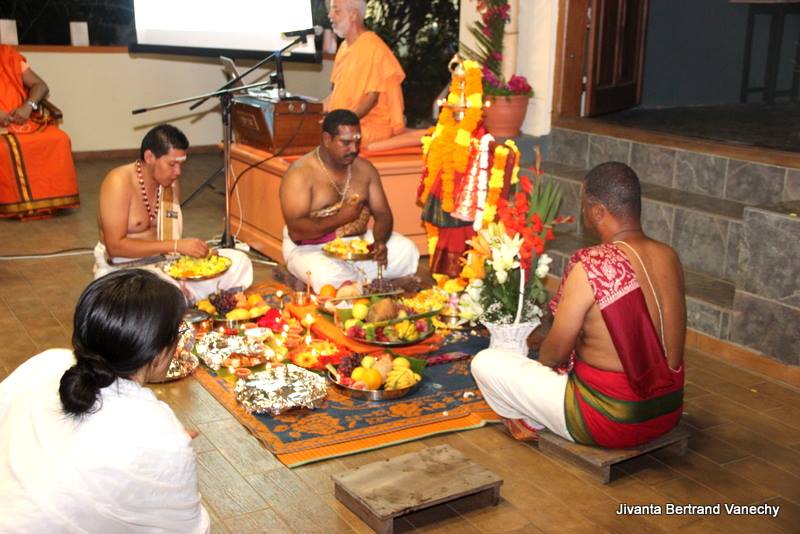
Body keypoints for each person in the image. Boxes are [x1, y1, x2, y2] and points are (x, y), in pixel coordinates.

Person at [471, 162, 686, 448]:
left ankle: (533, 418)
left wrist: (538, 365)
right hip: (667, 412)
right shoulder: (669, 256)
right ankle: (541, 412)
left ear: (598, 211)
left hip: (610, 420)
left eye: (585, 206)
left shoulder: (592, 265)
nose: (584, 214)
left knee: (486, 363)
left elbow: (555, 354)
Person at [0, 270, 210, 533]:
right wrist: (168, 450)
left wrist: (161, 449)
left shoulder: (46, 362)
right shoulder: (161, 435)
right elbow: (187, 529)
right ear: (157, 353)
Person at [94, 124, 252, 301]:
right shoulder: (118, 182)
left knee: (238, 262)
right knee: (158, 295)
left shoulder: (171, 185)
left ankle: (182, 297)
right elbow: (115, 247)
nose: (178, 172)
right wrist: (176, 246)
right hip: (123, 272)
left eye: (181, 164)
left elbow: (171, 238)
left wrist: (190, 256)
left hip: (163, 266)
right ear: (149, 157)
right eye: (172, 164)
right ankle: (182, 298)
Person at [280, 109, 419, 293]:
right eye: (345, 143)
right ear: (327, 139)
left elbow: (383, 214)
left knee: (407, 251)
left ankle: (357, 283)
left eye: (357, 141)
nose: (354, 149)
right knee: (329, 276)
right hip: (310, 248)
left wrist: (379, 242)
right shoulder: (300, 174)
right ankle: (375, 284)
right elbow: (297, 231)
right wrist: (341, 218)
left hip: (356, 243)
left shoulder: (364, 169)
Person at [0, 44, 80, 218]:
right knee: (4, 149)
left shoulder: (7, 55)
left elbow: (40, 85)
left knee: (59, 139)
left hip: (20, 119)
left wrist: (28, 106)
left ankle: (52, 202)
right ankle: (15, 205)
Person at [326, 0, 407, 147]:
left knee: (329, 138)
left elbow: (371, 99)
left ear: (353, 15)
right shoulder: (344, 47)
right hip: (343, 123)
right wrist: (309, 110)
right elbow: (336, 93)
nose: (330, 15)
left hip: (369, 126)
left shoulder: (373, 47)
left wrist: (341, 123)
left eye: (336, 11)